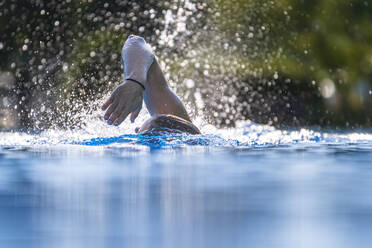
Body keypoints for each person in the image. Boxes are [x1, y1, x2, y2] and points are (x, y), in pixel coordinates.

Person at [101, 35, 201, 135]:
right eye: (139, 130)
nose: (136, 129)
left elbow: (135, 41)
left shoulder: (183, 131)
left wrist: (134, 81)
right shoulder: (184, 130)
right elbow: (135, 42)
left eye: (140, 132)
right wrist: (134, 82)